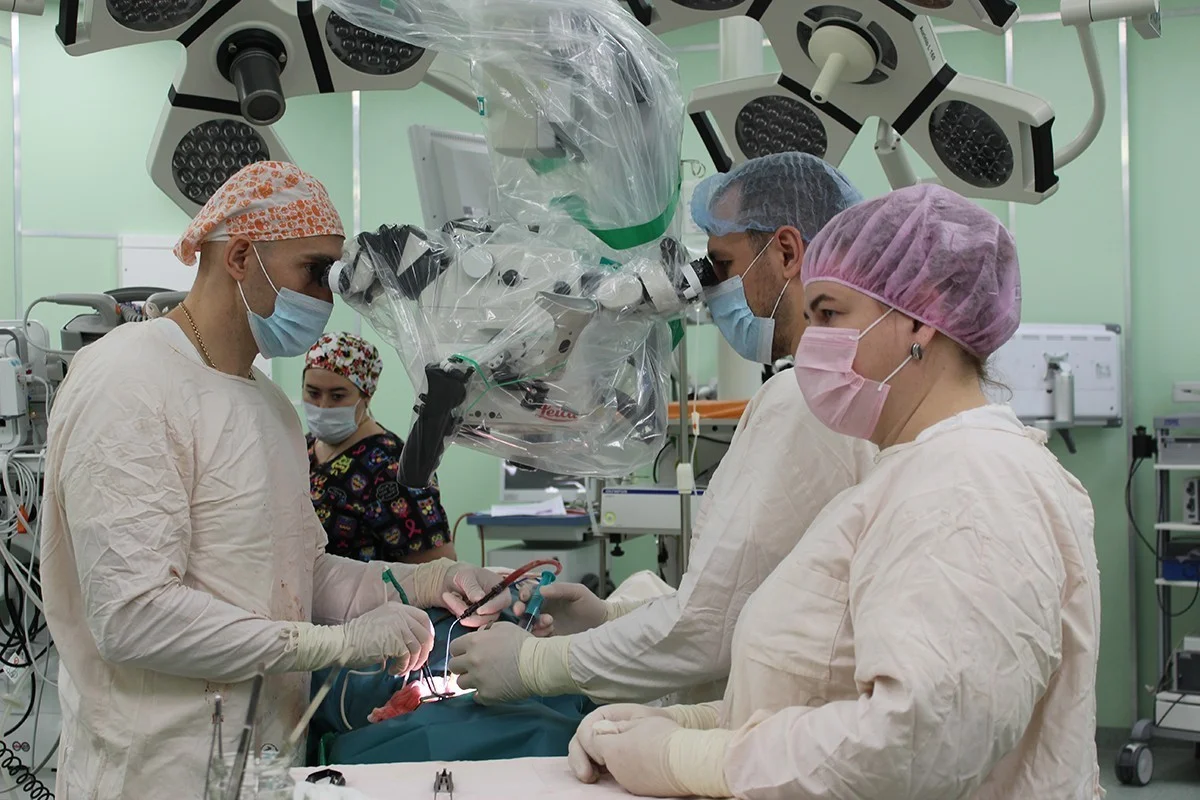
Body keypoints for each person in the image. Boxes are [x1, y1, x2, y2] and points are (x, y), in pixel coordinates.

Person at [566, 184, 1102, 799]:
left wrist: (690, 759)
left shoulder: (971, 486)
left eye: (828, 314)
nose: (812, 338)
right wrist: (685, 726)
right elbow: (837, 695)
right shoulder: (913, 472)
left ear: (920, 319)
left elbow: (914, 743)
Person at [39, 161, 509, 799]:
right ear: (239, 256)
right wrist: (334, 645)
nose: (327, 298)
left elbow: (299, 572)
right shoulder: (127, 380)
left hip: (267, 760)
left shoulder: (269, 406)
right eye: (315, 271)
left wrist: (432, 581)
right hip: (157, 771)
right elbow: (134, 616)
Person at [447, 152, 876, 706]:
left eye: (721, 265)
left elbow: (708, 628)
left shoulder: (805, 400)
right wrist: (609, 618)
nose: (712, 291)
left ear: (788, 252)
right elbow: (747, 600)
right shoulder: (847, 389)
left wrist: (538, 664)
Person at [305, 331, 457, 564]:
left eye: (337, 396)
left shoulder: (393, 467)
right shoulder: (301, 448)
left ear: (366, 395)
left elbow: (437, 565)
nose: (323, 406)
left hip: (368, 588)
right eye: (313, 393)